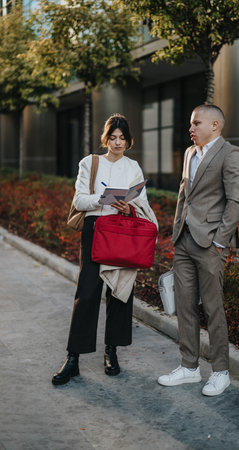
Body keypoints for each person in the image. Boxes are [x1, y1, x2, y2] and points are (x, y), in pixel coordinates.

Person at [52, 113, 158, 385]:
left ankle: (112, 351)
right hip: (96, 229)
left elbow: (141, 200)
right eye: (113, 137)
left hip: (123, 229)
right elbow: (79, 200)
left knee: (120, 290)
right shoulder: (90, 162)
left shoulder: (133, 166)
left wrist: (128, 205)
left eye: (122, 138)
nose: (118, 142)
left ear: (129, 140)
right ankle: (73, 357)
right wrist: (104, 199)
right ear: (106, 138)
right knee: (87, 291)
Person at [158, 105, 239, 396]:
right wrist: (176, 231)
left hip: (211, 244)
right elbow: (184, 195)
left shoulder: (231, 154)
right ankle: (189, 367)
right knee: (184, 305)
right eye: (190, 123)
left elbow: (237, 202)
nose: (191, 128)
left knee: (213, 308)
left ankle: (221, 372)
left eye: (196, 123)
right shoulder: (188, 153)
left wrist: (220, 241)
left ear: (215, 125)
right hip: (184, 240)